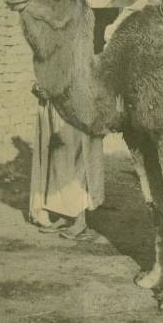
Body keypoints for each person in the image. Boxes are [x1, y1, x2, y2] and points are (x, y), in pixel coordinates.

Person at [29, 83, 104, 239]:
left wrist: (53, 91)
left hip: (76, 109)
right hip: (56, 108)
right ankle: (65, 214)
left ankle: (80, 220)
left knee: (76, 162)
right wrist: (39, 87)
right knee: (58, 162)